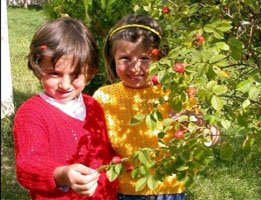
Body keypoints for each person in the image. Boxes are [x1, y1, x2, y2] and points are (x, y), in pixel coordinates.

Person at [13, 17, 118, 200]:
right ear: (38, 68)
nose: (65, 84)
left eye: (76, 75)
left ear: (91, 72)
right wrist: (62, 174)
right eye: (54, 73)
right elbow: (27, 165)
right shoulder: (31, 113)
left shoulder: (93, 106)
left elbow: (104, 152)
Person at [93, 14, 185, 200]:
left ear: (160, 58)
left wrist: (201, 127)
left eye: (145, 58)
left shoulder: (174, 93)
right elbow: (96, 145)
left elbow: (201, 129)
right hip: (125, 191)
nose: (135, 67)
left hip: (169, 189)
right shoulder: (104, 96)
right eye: (125, 58)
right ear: (113, 58)